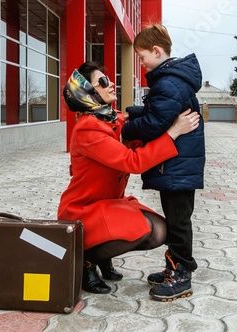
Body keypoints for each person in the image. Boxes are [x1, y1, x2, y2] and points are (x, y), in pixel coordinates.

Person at [58, 61, 200, 294]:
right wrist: (174, 132)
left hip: (110, 204)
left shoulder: (112, 119)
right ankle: (85, 261)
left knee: (160, 231)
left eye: (108, 78)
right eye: (102, 82)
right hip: (83, 209)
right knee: (142, 229)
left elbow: (136, 138)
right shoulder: (87, 129)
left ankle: (104, 257)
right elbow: (132, 161)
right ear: (87, 93)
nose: (110, 83)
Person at [121, 24, 205, 301]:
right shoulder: (172, 79)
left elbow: (155, 123)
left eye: (142, 57)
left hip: (177, 167)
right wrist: (133, 113)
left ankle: (182, 274)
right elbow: (159, 111)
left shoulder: (167, 82)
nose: (141, 62)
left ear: (157, 51)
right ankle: (173, 266)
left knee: (179, 221)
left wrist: (127, 128)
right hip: (179, 165)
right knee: (176, 217)